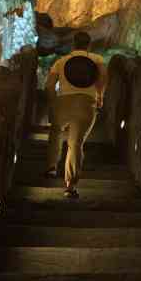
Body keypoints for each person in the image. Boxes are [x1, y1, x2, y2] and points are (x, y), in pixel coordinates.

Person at [44, 31, 107, 198]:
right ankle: (70, 185)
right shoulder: (97, 60)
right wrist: (99, 97)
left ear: (73, 44)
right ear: (89, 45)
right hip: (86, 103)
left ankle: (51, 167)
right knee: (75, 143)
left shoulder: (61, 61)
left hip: (64, 101)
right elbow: (102, 79)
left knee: (56, 133)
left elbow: (50, 85)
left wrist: (53, 103)